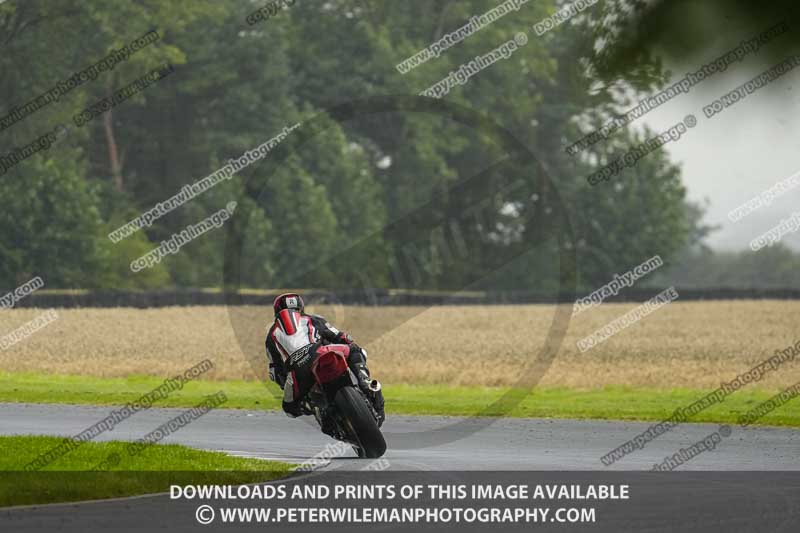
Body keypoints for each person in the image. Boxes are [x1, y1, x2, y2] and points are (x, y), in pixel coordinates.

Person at [265, 293, 385, 430]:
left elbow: (274, 372)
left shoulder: (271, 335)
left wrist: (285, 383)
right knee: (356, 351)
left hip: (296, 371)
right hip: (321, 351)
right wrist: (347, 342)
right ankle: (366, 383)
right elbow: (342, 337)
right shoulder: (314, 319)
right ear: (300, 306)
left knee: (289, 409)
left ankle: (315, 408)